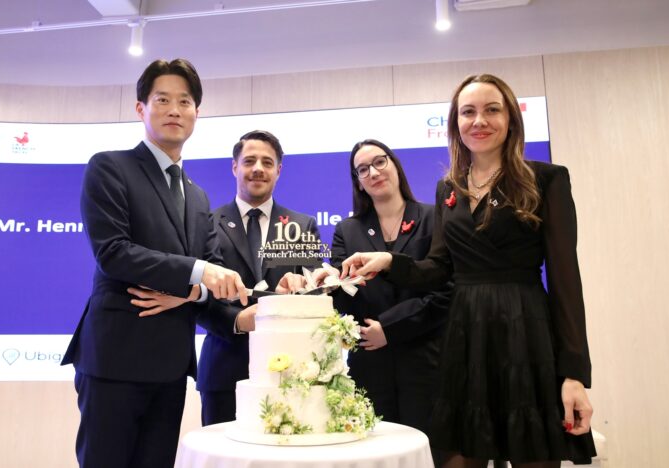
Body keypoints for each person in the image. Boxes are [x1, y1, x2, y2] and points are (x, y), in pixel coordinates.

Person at [340, 74, 596, 467]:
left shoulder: (546, 179)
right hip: (464, 339)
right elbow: (438, 268)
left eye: (492, 110)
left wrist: (574, 375)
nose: (479, 121)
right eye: (468, 112)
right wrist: (389, 262)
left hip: (526, 334)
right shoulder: (449, 188)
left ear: (510, 119)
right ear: (455, 123)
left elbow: (566, 282)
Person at [61, 58, 247, 468]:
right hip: (115, 358)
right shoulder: (110, 167)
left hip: (170, 365)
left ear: (197, 112)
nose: (174, 110)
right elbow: (113, 252)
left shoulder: (197, 195)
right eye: (162, 99)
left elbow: (211, 268)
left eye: (185, 101)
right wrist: (198, 274)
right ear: (140, 108)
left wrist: (190, 293)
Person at [130, 130, 320, 426]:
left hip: (293, 372)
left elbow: (315, 296)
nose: (258, 168)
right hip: (223, 370)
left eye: (267, 162)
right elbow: (194, 293)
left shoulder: (301, 225)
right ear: (234, 167)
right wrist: (237, 321)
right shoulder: (206, 223)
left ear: (279, 170)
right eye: (249, 161)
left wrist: (303, 290)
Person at [329, 139, 452, 464]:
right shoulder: (347, 230)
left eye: (379, 162)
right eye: (362, 169)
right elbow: (343, 297)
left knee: (428, 457)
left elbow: (446, 289)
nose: (373, 172)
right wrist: (327, 285)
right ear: (358, 181)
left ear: (395, 165)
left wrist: (390, 328)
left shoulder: (433, 217)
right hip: (370, 364)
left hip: (425, 360)